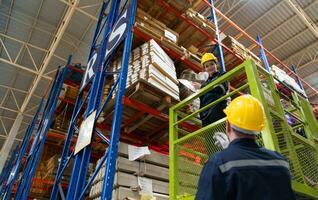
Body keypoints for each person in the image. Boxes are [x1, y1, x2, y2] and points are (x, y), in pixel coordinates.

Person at [195, 95, 295, 200]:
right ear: (259, 128)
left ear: (228, 125)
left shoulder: (218, 163)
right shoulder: (281, 162)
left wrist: (228, 154)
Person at [199, 53, 228, 127]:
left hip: (218, 110)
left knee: (221, 135)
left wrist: (206, 88)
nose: (210, 67)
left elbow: (221, 89)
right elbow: (202, 101)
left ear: (216, 64)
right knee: (209, 137)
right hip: (205, 116)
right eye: (207, 66)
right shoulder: (204, 84)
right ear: (204, 69)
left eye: (211, 64)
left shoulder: (222, 75)